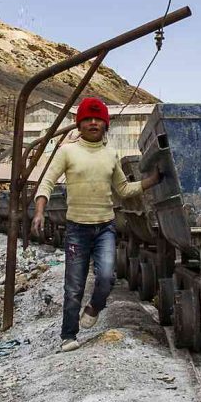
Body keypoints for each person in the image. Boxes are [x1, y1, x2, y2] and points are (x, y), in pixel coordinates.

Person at [33, 98, 161, 352]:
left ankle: (94, 307)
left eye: (97, 119)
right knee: (74, 286)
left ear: (105, 124)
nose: (93, 123)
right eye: (87, 119)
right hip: (76, 230)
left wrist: (152, 180)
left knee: (106, 277)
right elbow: (47, 182)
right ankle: (68, 336)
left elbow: (124, 190)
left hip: (105, 227)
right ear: (79, 124)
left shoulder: (111, 155)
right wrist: (39, 211)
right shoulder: (67, 152)